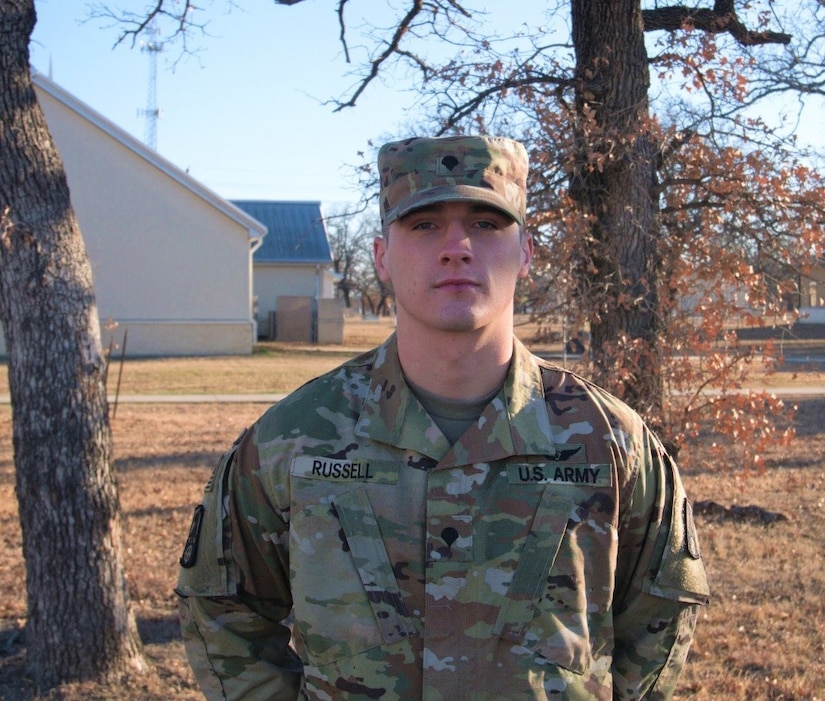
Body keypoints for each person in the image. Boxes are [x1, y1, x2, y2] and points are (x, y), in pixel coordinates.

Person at [176, 135, 710, 700]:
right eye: (424, 224)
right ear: (382, 256)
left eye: (485, 223)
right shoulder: (294, 440)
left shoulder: (611, 441)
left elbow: (661, 612)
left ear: (525, 251)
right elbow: (222, 609)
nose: (456, 247)